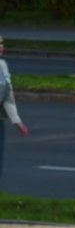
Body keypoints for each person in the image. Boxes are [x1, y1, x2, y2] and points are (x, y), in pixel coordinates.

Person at [0, 36, 29, 177]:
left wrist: (17, 122)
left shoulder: (2, 65)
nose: (1, 47)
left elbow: (7, 94)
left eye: (1, 43)